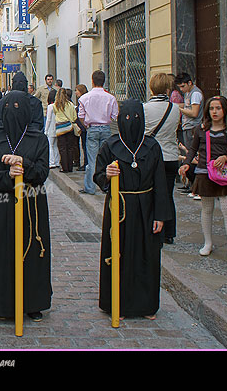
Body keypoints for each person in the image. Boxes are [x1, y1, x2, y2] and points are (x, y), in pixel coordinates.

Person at [94, 99, 171, 320]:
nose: (131, 122)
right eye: (126, 118)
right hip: (120, 208)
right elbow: (98, 176)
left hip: (146, 207)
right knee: (119, 254)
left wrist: (160, 215)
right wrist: (107, 174)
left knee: (146, 255)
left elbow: (160, 184)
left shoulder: (152, 146)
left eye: (135, 118)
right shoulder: (110, 145)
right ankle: (116, 302)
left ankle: (145, 305)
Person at [0, 90, 52, 322]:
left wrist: (23, 163)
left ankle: (33, 302)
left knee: (32, 251)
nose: (15, 114)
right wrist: (8, 176)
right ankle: (3, 304)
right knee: (2, 252)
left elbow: (42, 172)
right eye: (10, 109)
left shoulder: (39, 138)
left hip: (32, 203)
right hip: (1, 205)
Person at [179, 96, 227, 263]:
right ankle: (208, 243)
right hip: (205, 173)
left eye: (218, 108)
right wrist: (187, 164)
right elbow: (193, 149)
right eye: (212, 108)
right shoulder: (201, 129)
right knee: (207, 209)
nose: (215, 112)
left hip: (225, 175)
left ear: (225, 110)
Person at [143, 73, 182, 244]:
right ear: (167, 88)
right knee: (167, 195)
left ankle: (153, 228)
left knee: (151, 194)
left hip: (151, 157)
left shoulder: (145, 108)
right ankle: (169, 232)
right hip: (171, 156)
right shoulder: (175, 109)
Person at [78, 70, 118, 195]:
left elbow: (80, 115)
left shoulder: (84, 98)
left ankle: (90, 187)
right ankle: (105, 184)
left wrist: (86, 124)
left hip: (92, 128)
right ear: (104, 81)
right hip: (106, 127)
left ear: (92, 81)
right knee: (106, 157)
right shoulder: (111, 97)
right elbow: (115, 115)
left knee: (91, 159)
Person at [53, 86, 79, 173]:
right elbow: (74, 117)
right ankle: (70, 167)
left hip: (60, 128)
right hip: (69, 127)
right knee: (70, 148)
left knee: (62, 148)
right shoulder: (71, 105)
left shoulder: (55, 105)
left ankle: (64, 167)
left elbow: (55, 114)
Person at [74, 84, 89, 171]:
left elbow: (81, 114)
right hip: (85, 127)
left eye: (77, 90)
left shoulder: (82, 100)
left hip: (84, 127)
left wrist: (83, 125)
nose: (75, 92)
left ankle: (86, 163)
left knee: (85, 146)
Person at [44, 89, 60, 169]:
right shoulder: (59, 105)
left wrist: (46, 130)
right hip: (58, 128)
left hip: (51, 128)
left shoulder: (50, 106)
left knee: (50, 145)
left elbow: (48, 119)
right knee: (56, 146)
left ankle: (51, 162)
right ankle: (57, 161)